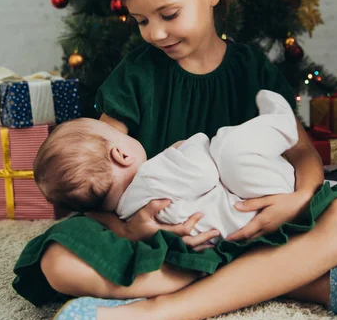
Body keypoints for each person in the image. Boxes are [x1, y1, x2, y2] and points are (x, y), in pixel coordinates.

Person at [13, 0, 337, 320]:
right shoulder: (137, 75)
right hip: (167, 243)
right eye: (142, 21)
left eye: (168, 14)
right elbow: (99, 168)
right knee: (57, 261)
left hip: (249, 223)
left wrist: (297, 200)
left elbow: (300, 151)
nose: (155, 33)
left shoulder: (250, 70)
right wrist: (133, 227)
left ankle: (151, 315)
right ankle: (289, 280)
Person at [33, 90, 307, 243]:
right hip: (258, 200)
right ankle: (282, 122)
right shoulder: (150, 179)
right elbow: (205, 173)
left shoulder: (129, 215)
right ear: (122, 155)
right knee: (225, 146)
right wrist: (187, 146)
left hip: (240, 226)